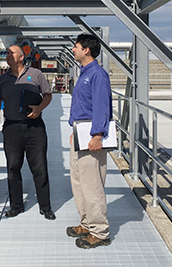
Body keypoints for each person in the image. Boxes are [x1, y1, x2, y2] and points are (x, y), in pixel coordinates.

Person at [0, 45, 55, 220]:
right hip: (11, 128)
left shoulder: (36, 74)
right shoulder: (1, 81)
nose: (8, 56)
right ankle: (16, 206)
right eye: (7, 54)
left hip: (35, 128)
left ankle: (45, 207)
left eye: (12, 53)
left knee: (39, 167)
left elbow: (48, 95)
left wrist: (39, 109)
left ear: (21, 57)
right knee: (13, 167)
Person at [67, 34, 112, 249]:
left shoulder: (97, 75)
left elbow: (102, 106)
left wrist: (97, 135)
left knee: (92, 185)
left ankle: (100, 232)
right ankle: (86, 224)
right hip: (79, 135)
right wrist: (73, 130)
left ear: (86, 50)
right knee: (79, 182)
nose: (72, 49)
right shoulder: (84, 73)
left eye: (75, 46)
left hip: (91, 138)